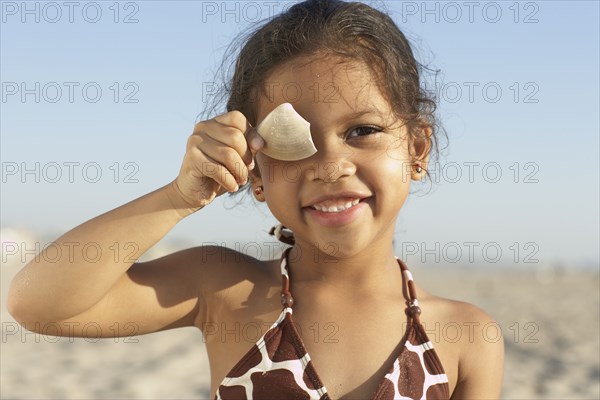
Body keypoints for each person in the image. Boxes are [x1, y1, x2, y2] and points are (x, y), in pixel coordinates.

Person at [7, 0, 504, 398]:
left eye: (363, 130)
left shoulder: (467, 336)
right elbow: (39, 305)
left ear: (417, 148)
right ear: (255, 172)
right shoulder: (223, 292)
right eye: (294, 141)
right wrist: (180, 197)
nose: (330, 165)